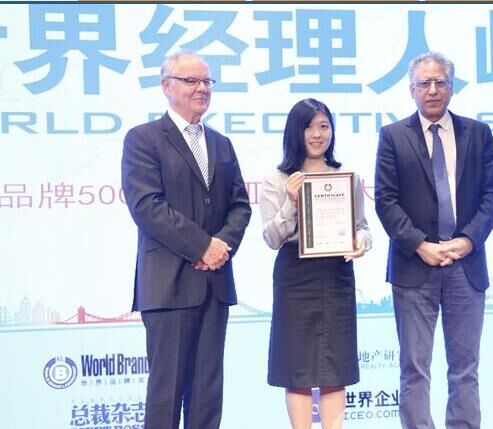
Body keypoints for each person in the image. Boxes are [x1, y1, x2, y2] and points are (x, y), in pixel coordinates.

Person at [121, 51, 251, 429]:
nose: (202, 89)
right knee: (166, 395)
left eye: (207, 81)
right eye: (191, 81)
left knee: (207, 396)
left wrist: (220, 247)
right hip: (169, 286)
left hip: (215, 285)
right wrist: (202, 246)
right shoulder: (143, 139)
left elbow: (240, 206)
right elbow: (147, 206)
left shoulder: (222, 144)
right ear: (167, 86)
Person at [374, 52, 493, 429]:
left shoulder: (477, 134)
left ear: (451, 87)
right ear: (411, 89)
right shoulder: (393, 136)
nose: (432, 90)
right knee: (414, 368)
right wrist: (419, 244)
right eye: (424, 83)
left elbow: (491, 196)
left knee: (465, 368)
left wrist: (468, 240)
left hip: (466, 266)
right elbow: (385, 200)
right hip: (414, 266)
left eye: (440, 82)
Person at [259, 98, 372, 429]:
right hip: (295, 275)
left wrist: (361, 242)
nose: (317, 134)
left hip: (336, 274)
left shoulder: (346, 176)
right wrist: (292, 202)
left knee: (335, 365)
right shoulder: (277, 179)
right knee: (298, 367)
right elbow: (271, 238)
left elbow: (362, 227)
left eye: (324, 126)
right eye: (309, 127)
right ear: (295, 131)